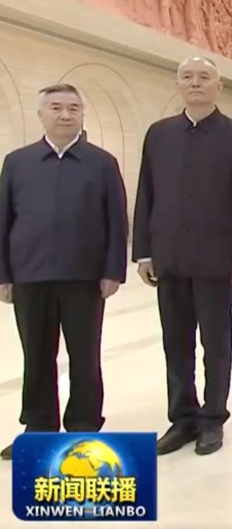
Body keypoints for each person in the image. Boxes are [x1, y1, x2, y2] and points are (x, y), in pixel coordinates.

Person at [133, 56, 232, 456]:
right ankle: (182, 418)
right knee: (176, 342)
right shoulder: (159, 134)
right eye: (187, 77)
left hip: (216, 259)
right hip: (169, 256)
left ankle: (212, 419)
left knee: (216, 342)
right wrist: (143, 251)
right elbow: (146, 194)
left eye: (204, 77)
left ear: (218, 87)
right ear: (177, 85)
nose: (195, 83)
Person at [0, 84, 128, 461]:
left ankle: (85, 425)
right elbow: (3, 220)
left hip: (84, 277)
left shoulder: (102, 163)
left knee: (85, 353)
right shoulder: (17, 162)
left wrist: (112, 271)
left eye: (73, 107)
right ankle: (38, 426)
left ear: (82, 114)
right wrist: (4, 274)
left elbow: (117, 222)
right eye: (56, 107)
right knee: (36, 353)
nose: (65, 114)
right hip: (29, 275)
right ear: (41, 114)